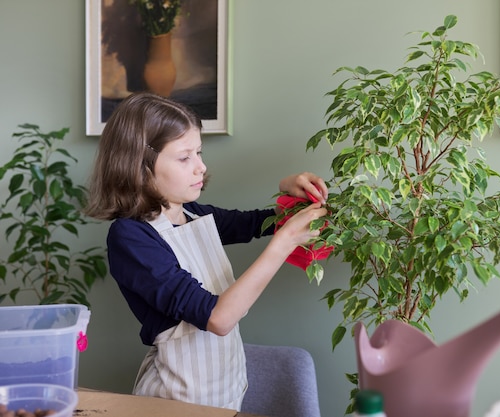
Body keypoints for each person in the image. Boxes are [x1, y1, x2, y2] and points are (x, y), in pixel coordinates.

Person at [85, 92, 328, 411]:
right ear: (140, 167)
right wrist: (283, 245)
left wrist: (287, 191)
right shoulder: (131, 237)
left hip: (225, 391)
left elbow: (255, 222)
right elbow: (219, 318)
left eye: (198, 152)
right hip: (175, 401)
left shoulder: (191, 213)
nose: (201, 167)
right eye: (185, 157)